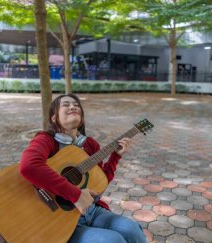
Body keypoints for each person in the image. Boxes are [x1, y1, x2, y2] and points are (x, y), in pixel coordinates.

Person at [19, 93, 147, 243]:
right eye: (66, 105)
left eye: (76, 105)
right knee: (113, 240)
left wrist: (115, 156)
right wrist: (76, 195)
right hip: (59, 218)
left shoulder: (90, 145)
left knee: (133, 231)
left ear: (82, 119)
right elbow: (29, 166)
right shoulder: (46, 140)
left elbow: (99, 183)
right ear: (54, 118)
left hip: (91, 210)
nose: (73, 106)